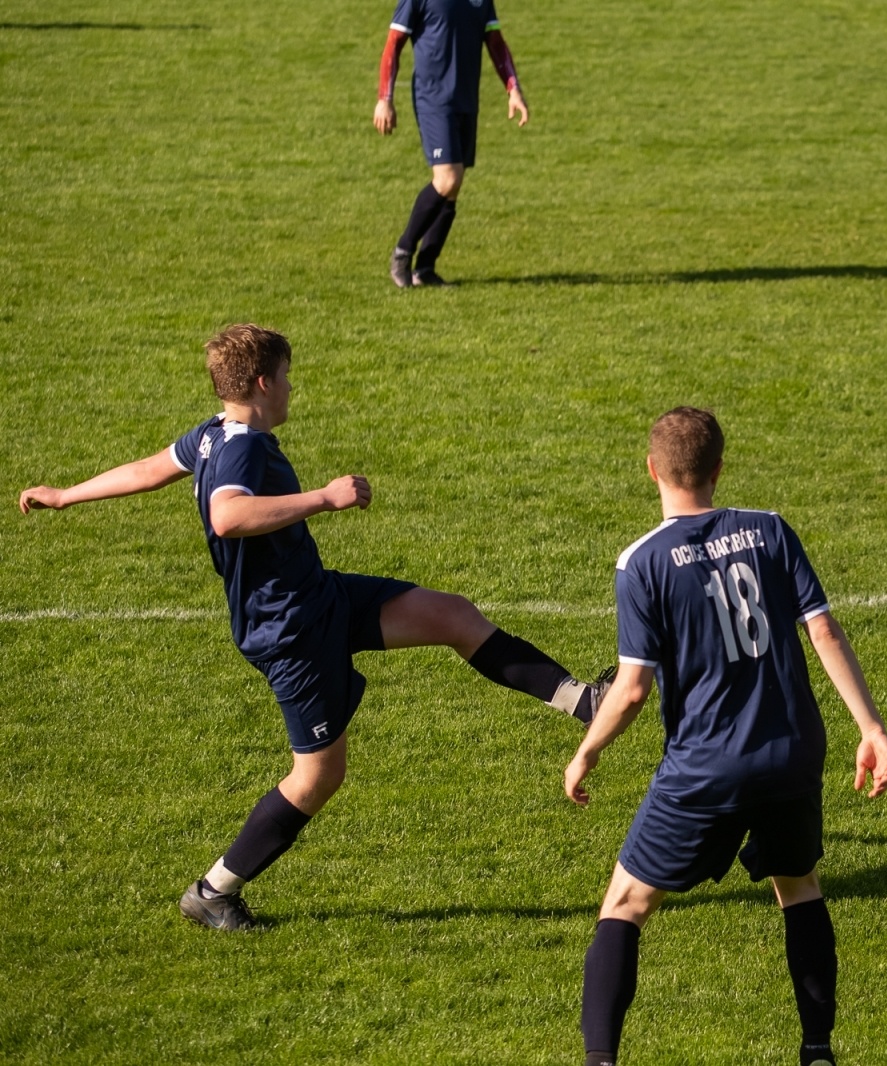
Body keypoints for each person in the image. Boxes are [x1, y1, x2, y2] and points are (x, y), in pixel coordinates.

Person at [18, 324, 608, 930]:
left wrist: (66, 495)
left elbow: (147, 468)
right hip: (291, 631)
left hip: (316, 595)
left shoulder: (210, 435)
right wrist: (324, 498)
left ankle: (583, 701)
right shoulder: (242, 447)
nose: (292, 388)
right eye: (288, 376)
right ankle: (214, 891)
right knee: (318, 777)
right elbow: (228, 516)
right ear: (263, 382)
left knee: (451, 614)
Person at [565, 407, 887, 1066]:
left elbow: (632, 689)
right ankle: (818, 1050)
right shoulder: (770, 530)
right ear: (720, 468)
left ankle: (601, 1061)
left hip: (705, 768)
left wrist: (586, 751)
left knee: (626, 903)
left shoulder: (643, 562)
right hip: (792, 752)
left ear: (653, 470)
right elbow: (824, 632)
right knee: (798, 885)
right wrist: (871, 727)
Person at [374, 0, 529, 287]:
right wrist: (385, 99)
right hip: (433, 100)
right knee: (447, 179)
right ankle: (402, 252)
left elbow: (495, 42)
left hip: (466, 100)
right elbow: (394, 41)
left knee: (454, 187)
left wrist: (513, 89)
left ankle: (425, 269)